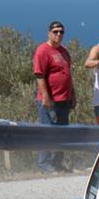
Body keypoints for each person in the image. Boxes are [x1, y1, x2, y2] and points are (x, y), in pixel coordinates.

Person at [34, 21, 75, 173]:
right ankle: (44, 164)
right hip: (50, 100)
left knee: (63, 133)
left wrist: (73, 94)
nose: (59, 34)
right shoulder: (43, 51)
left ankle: (57, 163)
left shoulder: (64, 52)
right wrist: (45, 96)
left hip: (64, 99)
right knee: (48, 132)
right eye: (55, 31)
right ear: (49, 33)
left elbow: (68, 75)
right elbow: (39, 75)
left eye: (61, 32)